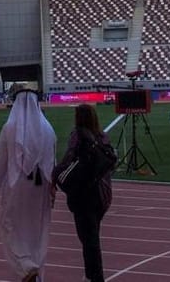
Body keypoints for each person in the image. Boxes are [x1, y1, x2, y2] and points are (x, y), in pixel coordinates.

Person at [0, 91, 56, 282]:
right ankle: (36, 269)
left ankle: (26, 266)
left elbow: (0, 160)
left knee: (10, 225)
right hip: (41, 186)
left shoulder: (10, 127)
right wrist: (52, 187)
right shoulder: (47, 128)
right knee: (37, 229)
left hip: (17, 184)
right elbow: (52, 159)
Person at [52, 103, 115, 282]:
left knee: (89, 240)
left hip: (84, 195)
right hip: (103, 194)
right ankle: (91, 274)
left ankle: (94, 276)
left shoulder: (78, 136)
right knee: (92, 236)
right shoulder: (103, 137)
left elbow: (68, 160)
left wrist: (55, 173)